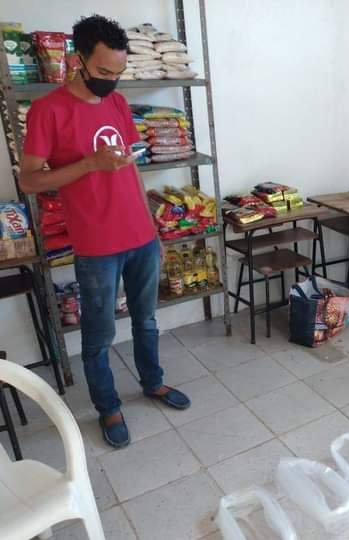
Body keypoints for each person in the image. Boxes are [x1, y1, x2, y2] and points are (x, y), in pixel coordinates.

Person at [19, 15, 191, 448]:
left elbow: (130, 168)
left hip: (141, 237)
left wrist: (152, 227)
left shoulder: (116, 102)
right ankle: (108, 406)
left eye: (118, 73)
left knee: (147, 320)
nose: (111, 81)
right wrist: (90, 164)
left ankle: (152, 382)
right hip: (97, 244)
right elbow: (30, 180)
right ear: (78, 59)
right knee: (99, 335)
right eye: (103, 72)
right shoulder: (48, 110)